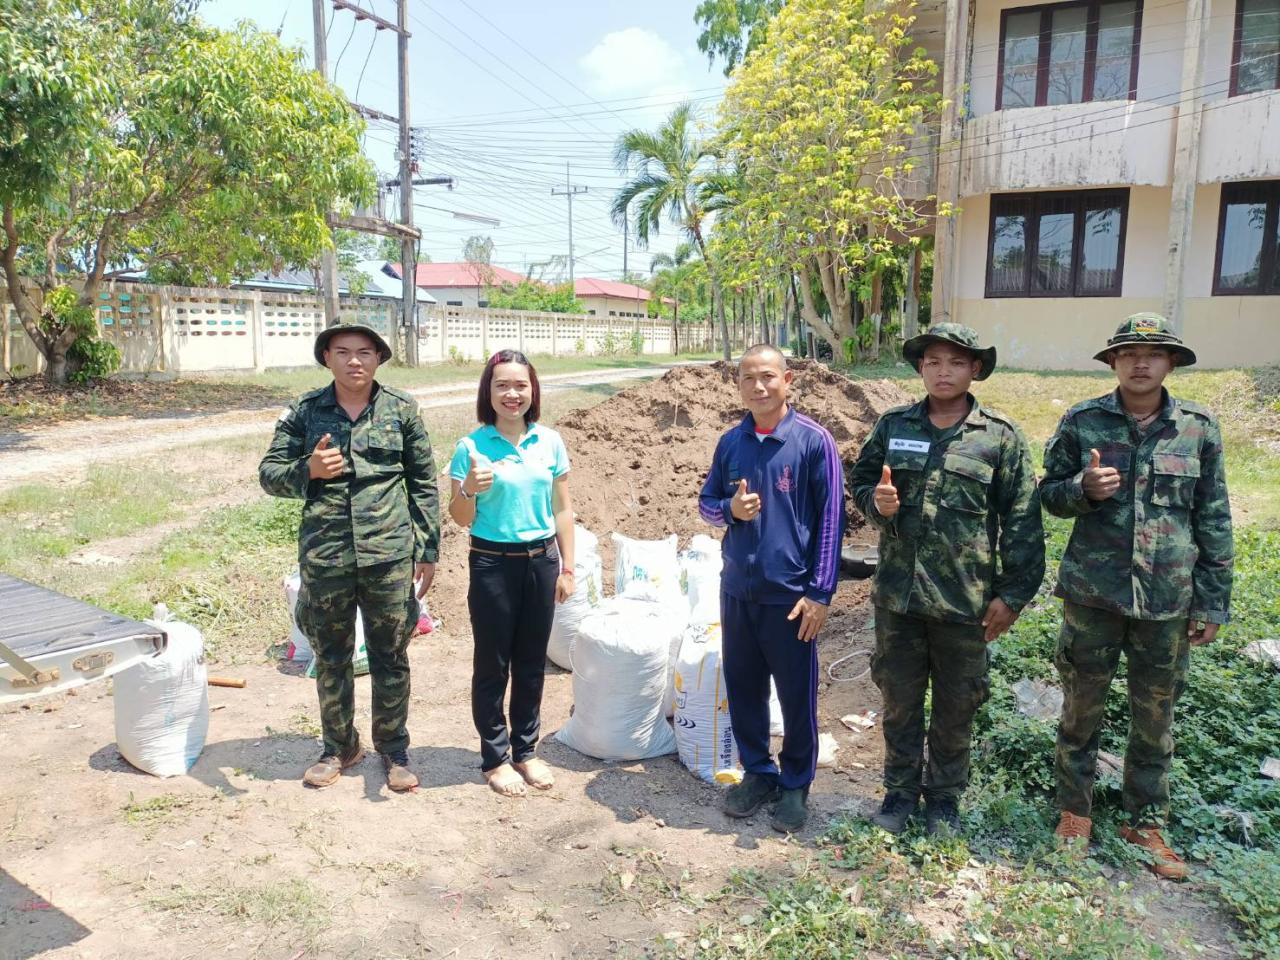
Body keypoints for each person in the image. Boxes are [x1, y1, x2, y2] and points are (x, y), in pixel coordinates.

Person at [1040, 313, 1233, 879]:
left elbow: (1214, 517)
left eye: (1153, 353)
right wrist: (1082, 489)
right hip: (1093, 599)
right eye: (1128, 353)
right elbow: (1048, 494)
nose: (1140, 362)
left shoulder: (1198, 427)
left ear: (1171, 362)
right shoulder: (1083, 420)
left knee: (1155, 718)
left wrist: (1213, 600)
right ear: (1113, 362)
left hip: (1167, 602)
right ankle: (1074, 813)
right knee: (1080, 711)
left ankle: (1145, 821)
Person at [850, 323, 1044, 836]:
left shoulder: (999, 437)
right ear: (920, 368)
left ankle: (943, 800)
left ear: (975, 369)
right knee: (900, 701)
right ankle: (897, 794)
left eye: (956, 362)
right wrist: (877, 504)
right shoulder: (893, 426)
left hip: (967, 602)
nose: (944, 371)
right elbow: (864, 481)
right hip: (899, 597)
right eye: (933, 361)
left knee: (957, 707)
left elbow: (1023, 519)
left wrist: (1014, 595)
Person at [259, 324, 439, 792]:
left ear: (379, 358)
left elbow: (422, 483)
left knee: (390, 655)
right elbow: (269, 474)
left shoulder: (402, 410)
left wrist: (428, 549)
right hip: (327, 555)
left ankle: (394, 750)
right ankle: (338, 746)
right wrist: (309, 469)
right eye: (342, 352)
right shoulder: (305, 411)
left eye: (364, 352)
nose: (354, 361)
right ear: (327, 358)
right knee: (331, 655)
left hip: (389, 554)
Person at [698, 344, 845, 833]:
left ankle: (796, 782)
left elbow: (831, 519)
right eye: (747, 379)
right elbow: (706, 503)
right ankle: (758, 772)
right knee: (743, 686)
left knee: (796, 694)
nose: (758, 387)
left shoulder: (811, 441)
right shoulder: (731, 442)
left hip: (791, 597)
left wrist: (820, 592)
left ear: (789, 380)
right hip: (738, 589)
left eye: (767, 377)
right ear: (737, 385)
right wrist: (729, 512)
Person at [447, 350, 575, 798]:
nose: (512, 393)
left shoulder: (551, 442)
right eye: (502, 385)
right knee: (493, 663)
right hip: (491, 563)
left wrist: (568, 566)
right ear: (489, 391)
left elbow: (562, 509)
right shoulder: (471, 447)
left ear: (533, 390)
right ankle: (494, 758)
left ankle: (526, 750)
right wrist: (468, 489)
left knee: (531, 662)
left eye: (520, 384)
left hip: (541, 562)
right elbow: (460, 518)